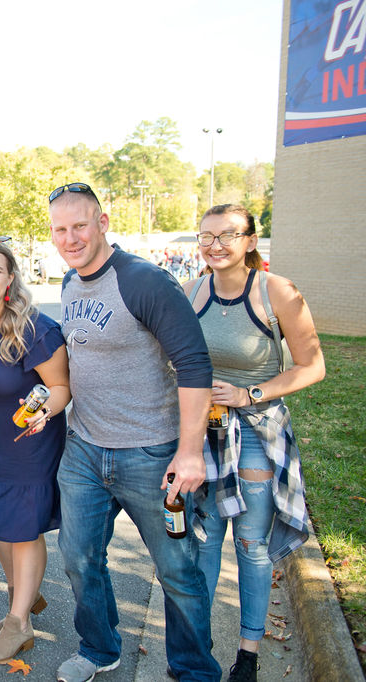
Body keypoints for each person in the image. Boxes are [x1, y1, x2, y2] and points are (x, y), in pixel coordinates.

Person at [47, 183, 220, 682]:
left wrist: (189, 451)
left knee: (177, 572)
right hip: (83, 448)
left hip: (151, 451)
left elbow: (193, 364)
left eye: (79, 225)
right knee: (79, 558)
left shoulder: (144, 281)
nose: (70, 238)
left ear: (102, 222)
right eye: (60, 229)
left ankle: (194, 670)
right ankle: (99, 649)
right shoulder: (68, 283)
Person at [185, 204, 324, 682]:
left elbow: (313, 366)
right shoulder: (193, 290)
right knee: (202, 543)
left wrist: (250, 393)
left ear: (250, 240)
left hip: (256, 434)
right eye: (206, 236)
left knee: (250, 543)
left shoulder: (276, 291)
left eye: (228, 235)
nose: (215, 244)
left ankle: (247, 654)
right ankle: (197, 649)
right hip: (204, 435)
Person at [0, 238, 70, 663]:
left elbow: (60, 387)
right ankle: (22, 593)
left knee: (23, 527)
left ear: (10, 278)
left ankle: (19, 622)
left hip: (30, 443)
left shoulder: (34, 329)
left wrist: (45, 412)